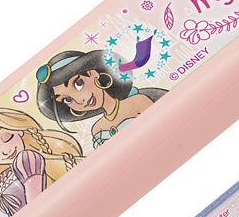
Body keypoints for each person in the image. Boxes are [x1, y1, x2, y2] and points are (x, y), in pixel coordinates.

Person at [0, 107, 82, 217]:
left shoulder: (26, 160)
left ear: (17, 130)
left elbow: (36, 207)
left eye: (7, 137)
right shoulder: (7, 176)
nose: (4, 151)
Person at [35, 48, 167, 148]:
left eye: (78, 84)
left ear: (94, 74)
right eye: (67, 99)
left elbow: (162, 130)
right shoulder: (97, 129)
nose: (80, 100)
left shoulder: (137, 102)